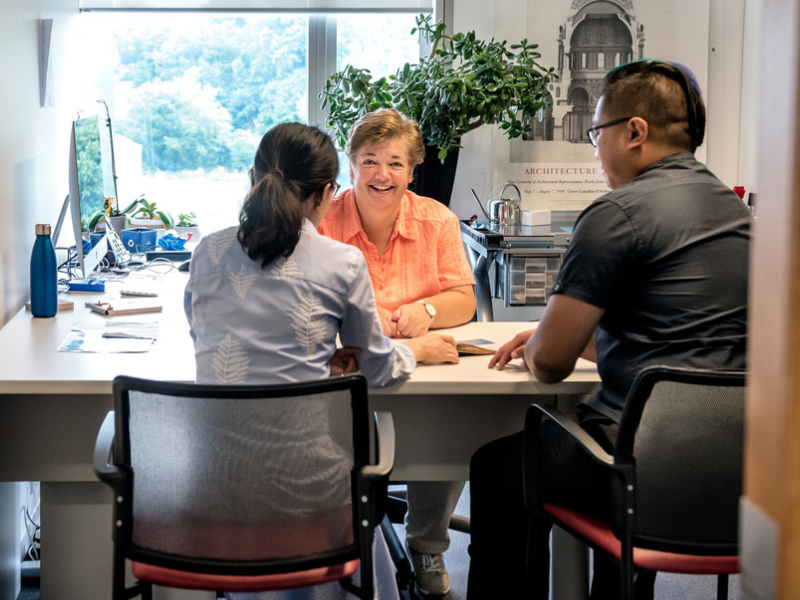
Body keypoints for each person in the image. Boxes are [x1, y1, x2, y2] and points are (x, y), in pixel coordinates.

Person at [467, 60, 751, 599]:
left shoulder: (616, 213)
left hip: (640, 473)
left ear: (635, 132)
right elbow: (671, 342)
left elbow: (549, 366)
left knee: (500, 468)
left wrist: (550, 339)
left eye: (597, 134)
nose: (595, 150)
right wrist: (582, 340)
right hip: (743, 473)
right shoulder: (739, 215)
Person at [184, 121, 460, 600]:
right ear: (330, 191)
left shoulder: (206, 250)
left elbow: (200, 334)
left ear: (253, 180)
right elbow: (379, 369)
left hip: (216, 480)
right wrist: (414, 349)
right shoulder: (339, 261)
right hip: (311, 496)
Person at [319, 108, 475, 597]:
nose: (381, 175)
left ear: (412, 170)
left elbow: (465, 300)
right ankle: (341, 543)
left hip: (421, 371)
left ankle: (427, 543)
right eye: (369, 161)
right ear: (350, 167)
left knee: (443, 432)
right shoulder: (321, 219)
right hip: (345, 373)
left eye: (394, 163)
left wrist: (427, 308)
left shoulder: (437, 220)